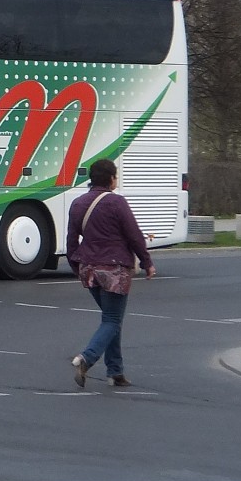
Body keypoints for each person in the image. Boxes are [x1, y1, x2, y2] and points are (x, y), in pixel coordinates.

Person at [65, 158, 156, 389]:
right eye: (116, 176)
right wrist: (147, 262)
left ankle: (115, 372)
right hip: (114, 270)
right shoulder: (117, 203)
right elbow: (134, 235)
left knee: (111, 319)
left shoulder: (77, 203)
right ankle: (86, 358)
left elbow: (71, 239)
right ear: (111, 179)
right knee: (112, 319)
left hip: (89, 269)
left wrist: (76, 266)